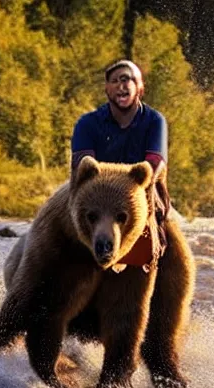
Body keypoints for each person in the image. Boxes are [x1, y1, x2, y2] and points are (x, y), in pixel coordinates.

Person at [70, 59, 170, 269]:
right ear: (106, 89)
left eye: (128, 80)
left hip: (142, 195)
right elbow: (82, 165)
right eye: (115, 81)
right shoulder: (87, 123)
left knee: (169, 256)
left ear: (140, 88)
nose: (121, 85)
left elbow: (155, 162)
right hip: (95, 199)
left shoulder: (155, 121)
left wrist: (133, 185)